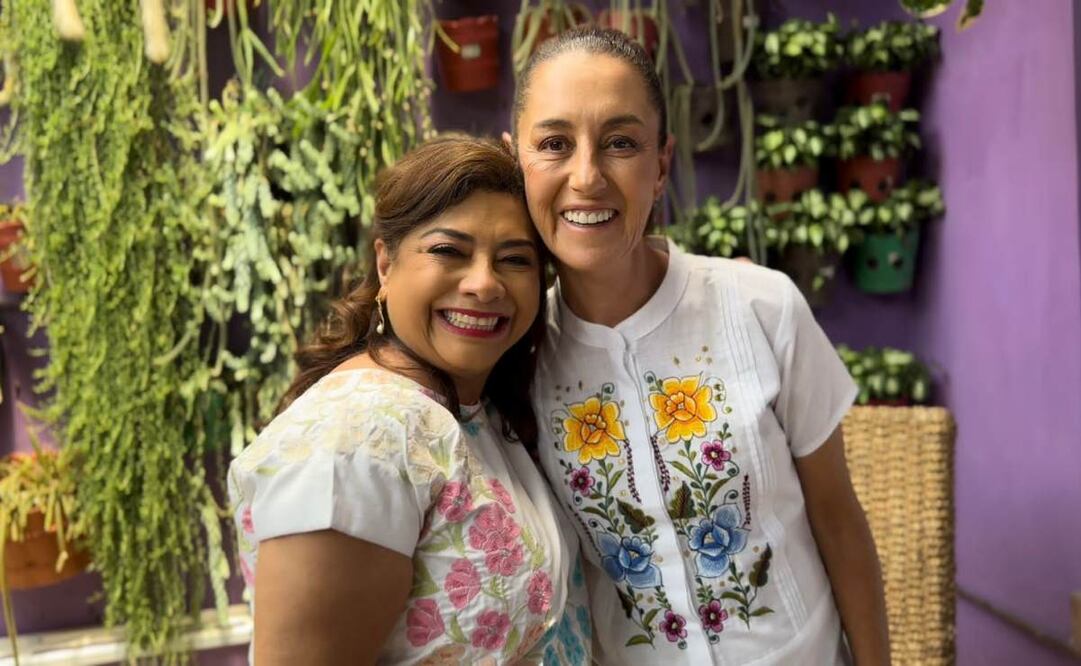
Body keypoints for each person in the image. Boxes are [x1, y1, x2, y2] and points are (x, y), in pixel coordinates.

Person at [503, 27, 890, 665]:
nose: (587, 175)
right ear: (517, 161)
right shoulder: (519, 360)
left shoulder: (762, 307)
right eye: (553, 144)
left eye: (620, 143)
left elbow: (839, 519)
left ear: (660, 165)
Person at [228, 135, 591, 665]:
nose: (484, 284)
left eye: (515, 259)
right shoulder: (358, 437)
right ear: (385, 263)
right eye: (449, 250)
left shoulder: (467, 409)